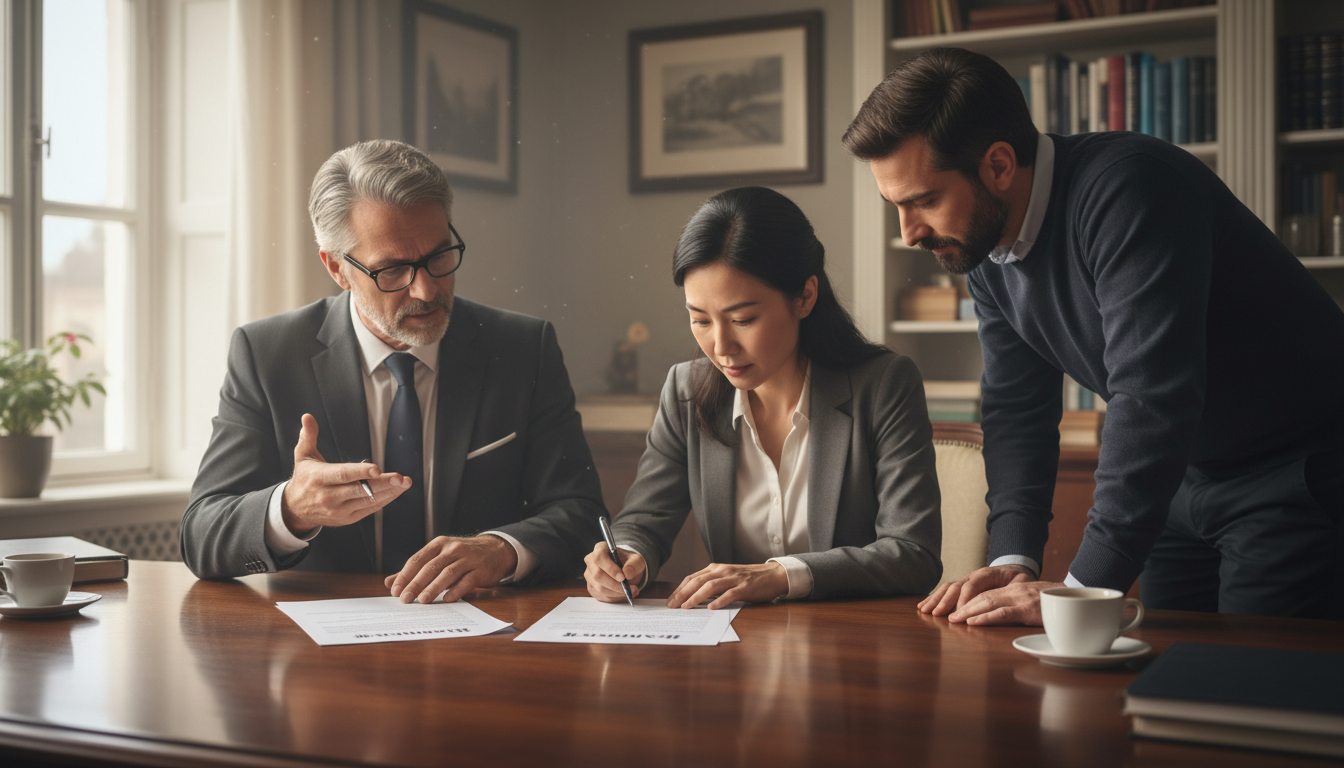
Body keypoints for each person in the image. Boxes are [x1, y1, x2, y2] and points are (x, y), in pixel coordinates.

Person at [843, 48, 1344, 624]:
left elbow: (1151, 394)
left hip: (1296, 477)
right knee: (1165, 685)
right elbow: (1016, 407)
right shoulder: (983, 245)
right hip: (1181, 484)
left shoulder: (1130, 187)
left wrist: (1076, 595)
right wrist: (1014, 556)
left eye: (924, 201)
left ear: (999, 166)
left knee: (1259, 698)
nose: (909, 233)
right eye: (895, 207)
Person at [182, 140, 605, 604]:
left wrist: (500, 549)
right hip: (320, 653)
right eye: (392, 270)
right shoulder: (267, 355)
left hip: (484, 641)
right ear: (337, 269)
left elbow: (582, 514)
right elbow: (201, 536)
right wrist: (290, 510)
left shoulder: (524, 348)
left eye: (439, 257)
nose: (425, 290)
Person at [584, 187, 942, 609]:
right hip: (731, 644)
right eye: (700, 320)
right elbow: (645, 517)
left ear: (805, 297)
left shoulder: (882, 385)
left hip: (851, 645)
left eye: (743, 319)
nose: (721, 346)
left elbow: (912, 553)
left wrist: (781, 575)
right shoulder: (685, 390)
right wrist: (626, 555)